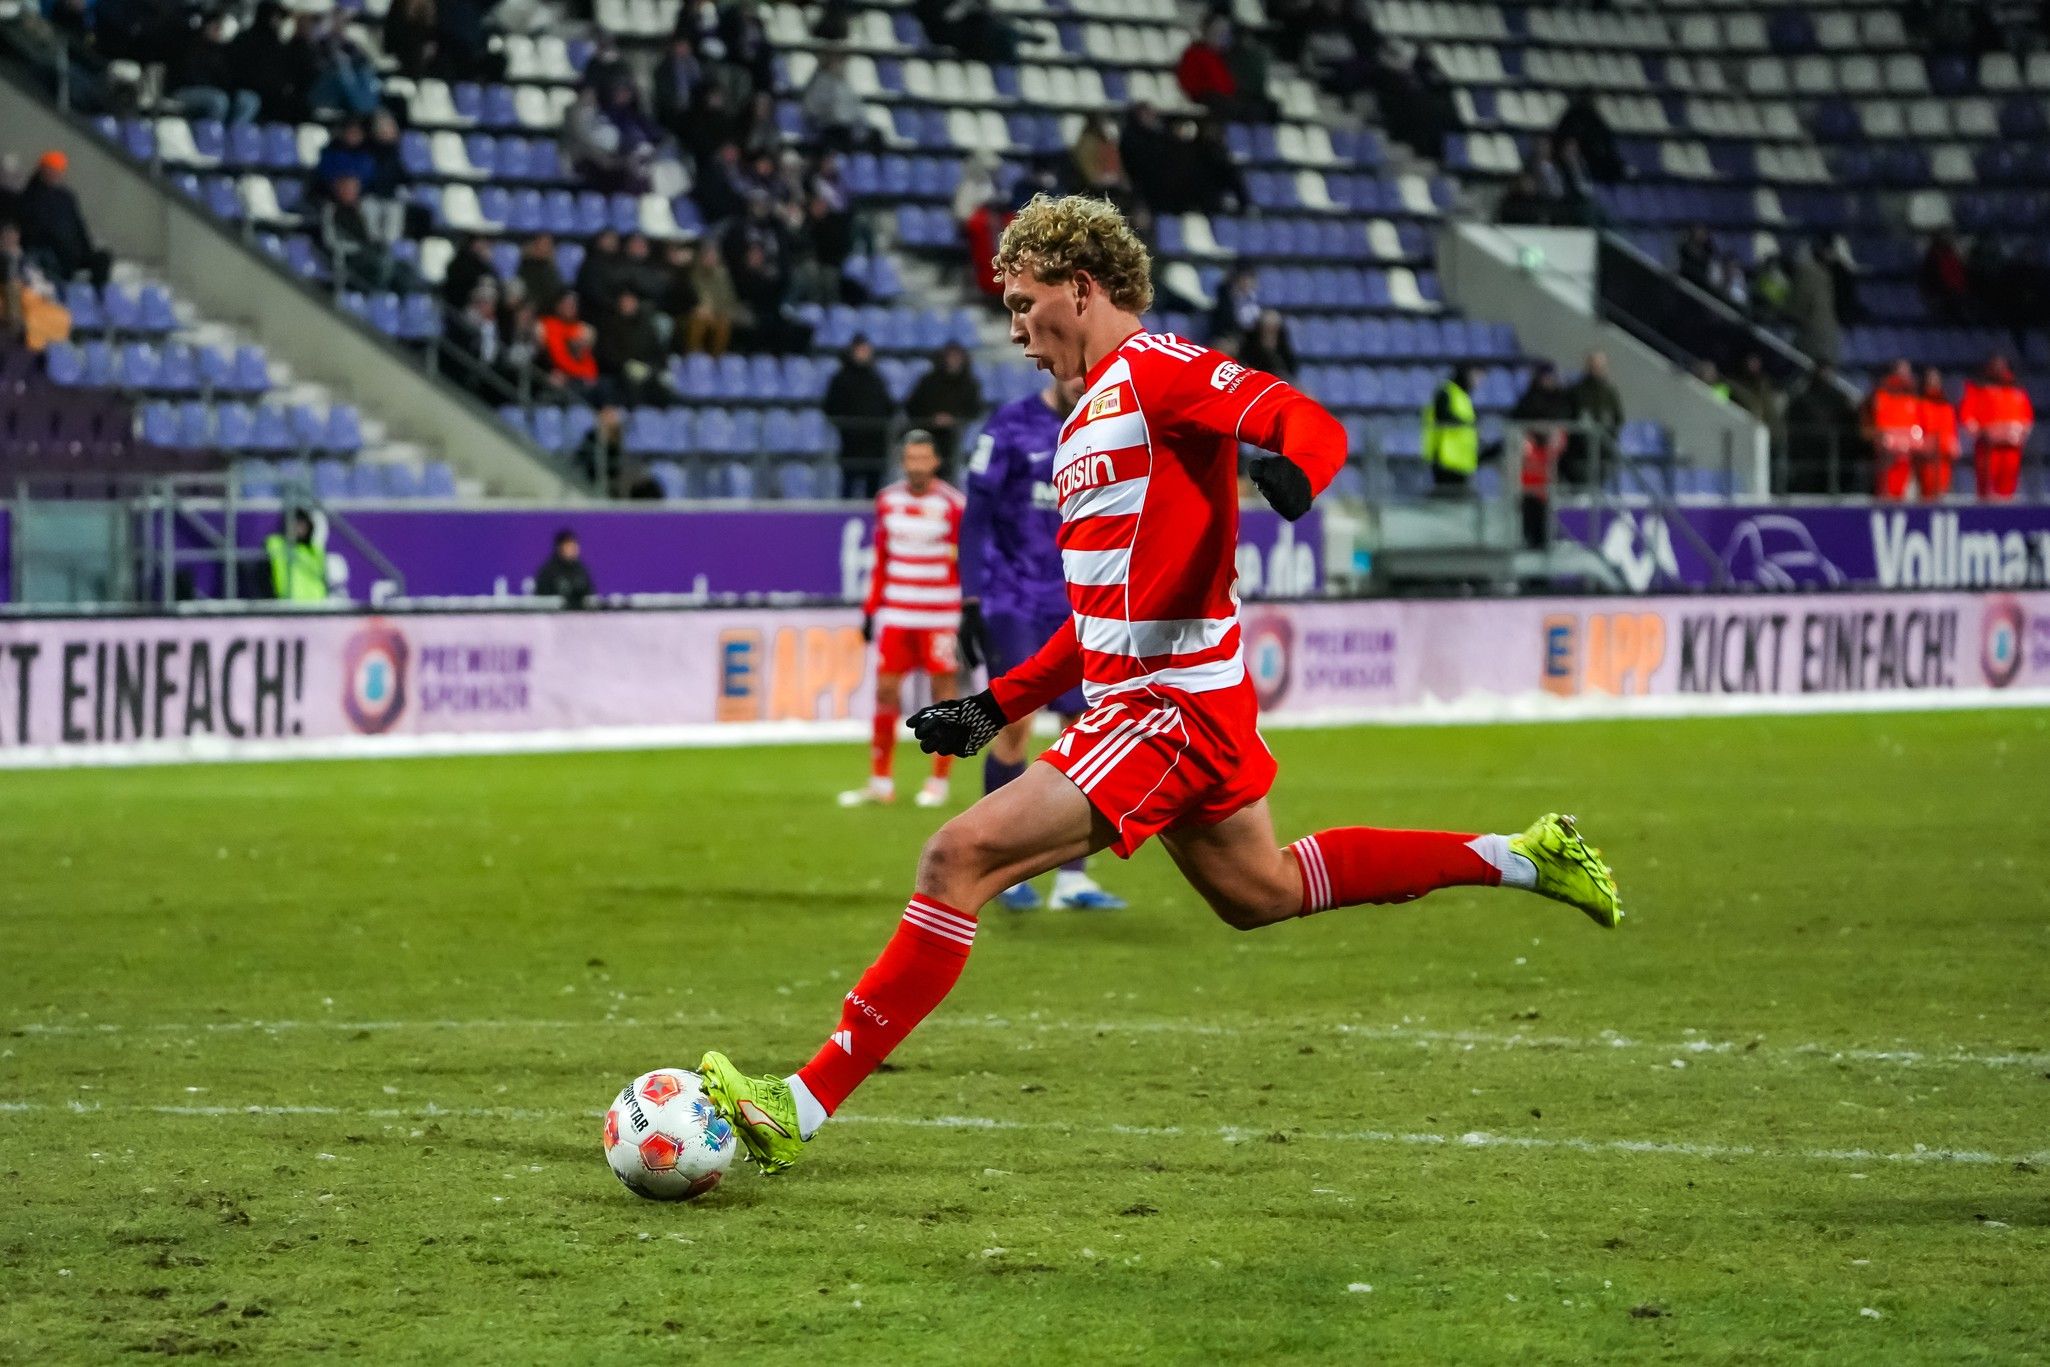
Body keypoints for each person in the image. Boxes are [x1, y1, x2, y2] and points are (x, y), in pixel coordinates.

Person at [691, 194, 1621, 1172]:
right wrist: (991, 706)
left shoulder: (1158, 370)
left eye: (1023, 303)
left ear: (1080, 289)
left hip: (1168, 707)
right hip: (1172, 700)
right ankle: (1524, 856)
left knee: (954, 858)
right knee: (1260, 890)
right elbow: (1097, 627)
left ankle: (797, 1103)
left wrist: (1298, 474)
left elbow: (1303, 419)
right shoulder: (1082, 422)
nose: (1016, 329)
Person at [957, 373, 1126, 911]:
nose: (1083, 381)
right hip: (1011, 598)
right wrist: (970, 600)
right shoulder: (1010, 426)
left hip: (1078, 601)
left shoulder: (1108, 425)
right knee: (1016, 723)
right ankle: (1002, 868)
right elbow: (975, 517)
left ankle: (1072, 879)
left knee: (1085, 731)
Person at [840, 431, 966, 811]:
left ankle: (938, 781)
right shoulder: (887, 501)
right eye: (911, 458)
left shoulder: (952, 504)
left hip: (940, 612)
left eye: (923, 458)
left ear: (936, 462)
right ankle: (880, 782)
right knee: (885, 691)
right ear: (902, 462)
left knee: (943, 694)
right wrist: (870, 609)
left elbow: (964, 561)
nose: (917, 466)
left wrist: (967, 610)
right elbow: (881, 557)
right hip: (898, 612)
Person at [16, 152, 111, 288]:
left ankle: (97, 295)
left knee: (102, 258)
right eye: (51, 170)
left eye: (58, 171)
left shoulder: (66, 197)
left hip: (72, 252)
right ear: (42, 170)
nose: (55, 174)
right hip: (49, 253)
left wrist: (86, 249)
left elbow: (79, 226)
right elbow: (33, 230)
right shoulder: (30, 195)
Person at [824, 334, 899, 496]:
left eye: (866, 349)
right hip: (851, 443)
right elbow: (831, 407)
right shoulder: (841, 379)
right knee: (849, 484)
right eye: (860, 350)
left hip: (875, 443)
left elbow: (888, 406)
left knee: (874, 486)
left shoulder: (876, 378)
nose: (863, 353)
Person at [1511, 364, 1573, 549]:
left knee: (1548, 502)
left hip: (1552, 461)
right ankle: (1530, 539)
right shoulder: (1528, 400)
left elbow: (1566, 424)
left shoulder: (1561, 400)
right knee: (1530, 502)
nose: (1549, 381)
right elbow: (1517, 421)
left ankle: (1545, 540)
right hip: (1531, 461)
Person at [1959, 355, 2034, 500]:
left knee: (2008, 490)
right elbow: (1967, 417)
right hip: (1987, 449)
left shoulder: (2018, 391)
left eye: (2002, 366)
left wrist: (2018, 433)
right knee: (1987, 490)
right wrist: (1983, 433)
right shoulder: (1977, 390)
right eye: (1995, 366)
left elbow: (2027, 419)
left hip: (2011, 448)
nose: (1999, 369)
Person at [169, 11, 261, 125]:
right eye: (216, 26)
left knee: (249, 99)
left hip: (218, 92)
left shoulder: (225, 50)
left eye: (220, 28)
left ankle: (234, 133)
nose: (218, 31)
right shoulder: (191, 44)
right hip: (184, 90)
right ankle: (211, 133)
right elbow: (188, 76)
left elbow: (231, 78)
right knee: (218, 100)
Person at [1784, 363, 1862, 494]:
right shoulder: (1802, 400)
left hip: (1835, 455)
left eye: (1827, 372)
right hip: (1808, 458)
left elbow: (1849, 425)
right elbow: (1793, 427)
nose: (1824, 376)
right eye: (1821, 372)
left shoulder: (1839, 399)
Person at [904, 342, 984, 463]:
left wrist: (954, 419)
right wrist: (932, 418)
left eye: (957, 357)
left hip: (955, 436)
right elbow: (913, 406)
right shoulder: (928, 381)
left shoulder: (970, 384)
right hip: (928, 433)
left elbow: (974, 409)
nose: (953, 361)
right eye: (950, 357)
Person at [1866, 360, 1922, 501]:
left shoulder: (1911, 397)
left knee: (1906, 488)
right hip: (1887, 453)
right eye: (1901, 372)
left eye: (1907, 373)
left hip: (1907, 452)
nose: (1904, 376)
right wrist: (1892, 439)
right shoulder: (1882, 395)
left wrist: (1910, 441)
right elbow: (1880, 423)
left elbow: (1915, 424)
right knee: (1886, 487)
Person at [1422, 363, 1479, 491]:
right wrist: (1465, 423)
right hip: (1445, 460)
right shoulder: (1446, 392)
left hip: (1461, 462)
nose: (1478, 380)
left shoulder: (1463, 397)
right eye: (1476, 374)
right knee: (1446, 499)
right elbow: (1442, 416)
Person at [1787, 241, 1840, 365]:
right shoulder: (1826, 275)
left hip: (1814, 338)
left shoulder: (1807, 274)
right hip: (1829, 338)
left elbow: (1797, 309)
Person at [1916, 368, 1960, 499]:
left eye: (1935, 380)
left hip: (1944, 456)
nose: (1933, 383)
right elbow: (1916, 429)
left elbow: (1952, 431)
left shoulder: (1946, 406)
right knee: (1926, 493)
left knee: (1943, 491)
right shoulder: (1919, 404)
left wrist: (1953, 444)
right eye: (1930, 380)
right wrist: (1922, 444)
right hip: (1926, 458)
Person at [265, 510, 327, 602]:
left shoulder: (314, 550)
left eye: (303, 525)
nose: (300, 529)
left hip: (316, 605)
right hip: (286, 605)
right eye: (296, 524)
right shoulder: (275, 544)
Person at [534, 528, 595, 606]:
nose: (573, 548)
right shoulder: (548, 571)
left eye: (575, 545)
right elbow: (542, 600)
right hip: (554, 612)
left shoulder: (581, 569)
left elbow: (590, 595)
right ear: (559, 547)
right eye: (569, 545)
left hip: (580, 612)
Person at [1237, 310, 1298, 382]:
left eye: (1274, 328)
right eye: (1267, 328)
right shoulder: (1249, 345)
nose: (1270, 332)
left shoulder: (1283, 346)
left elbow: (1290, 367)